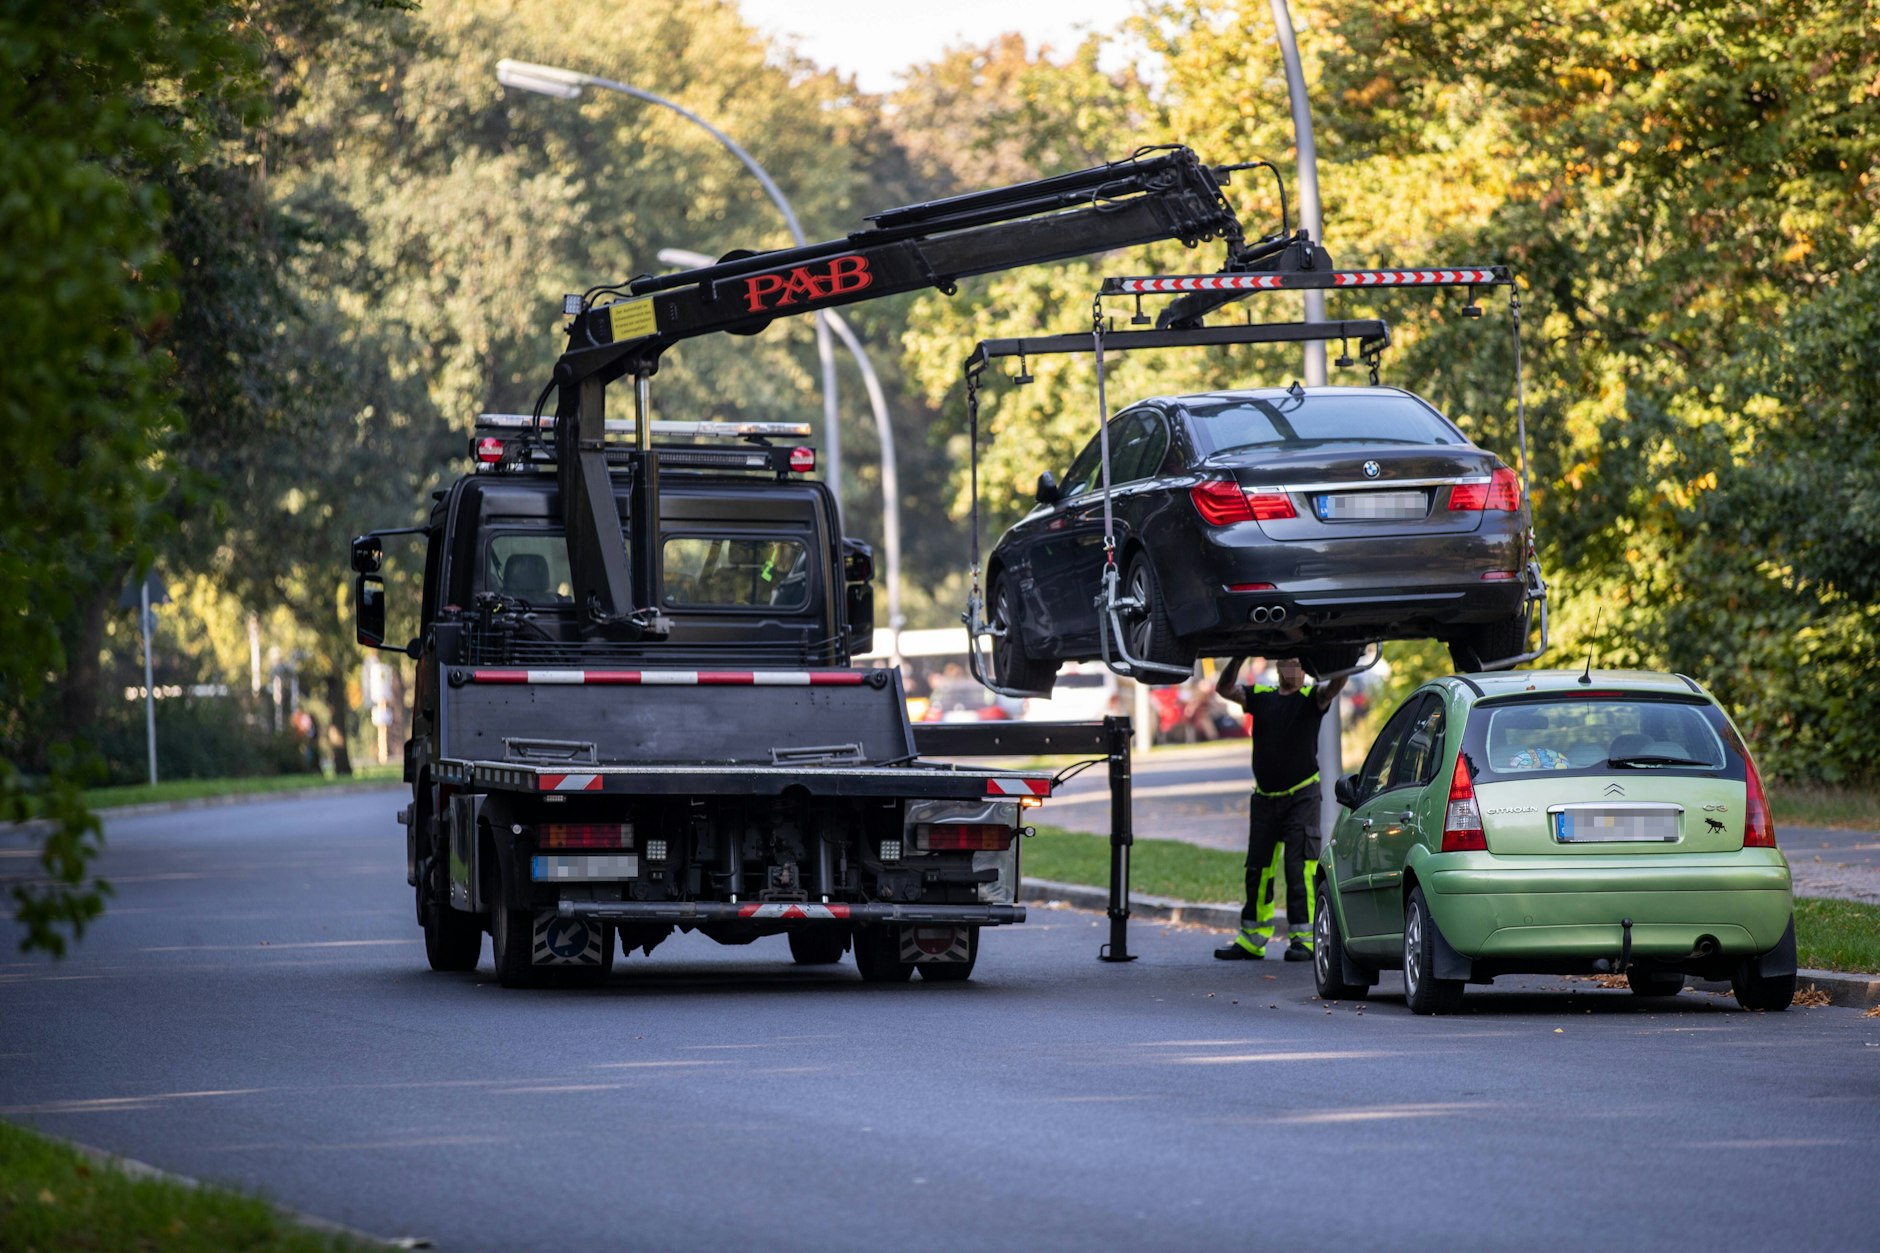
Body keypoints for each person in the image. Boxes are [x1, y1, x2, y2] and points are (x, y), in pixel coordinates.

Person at [1212, 656, 1346, 962]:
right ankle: (1252, 938)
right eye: (1288, 664)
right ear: (1278, 668)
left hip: (1302, 796)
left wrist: (1338, 658)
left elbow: (1336, 685)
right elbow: (1225, 688)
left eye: (1299, 665)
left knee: (1299, 868)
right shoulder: (1261, 697)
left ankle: (1306, 938)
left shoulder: (1312, 698)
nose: (1293, 670)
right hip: (1265, 799)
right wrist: (1240, 655)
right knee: (1258, 869)